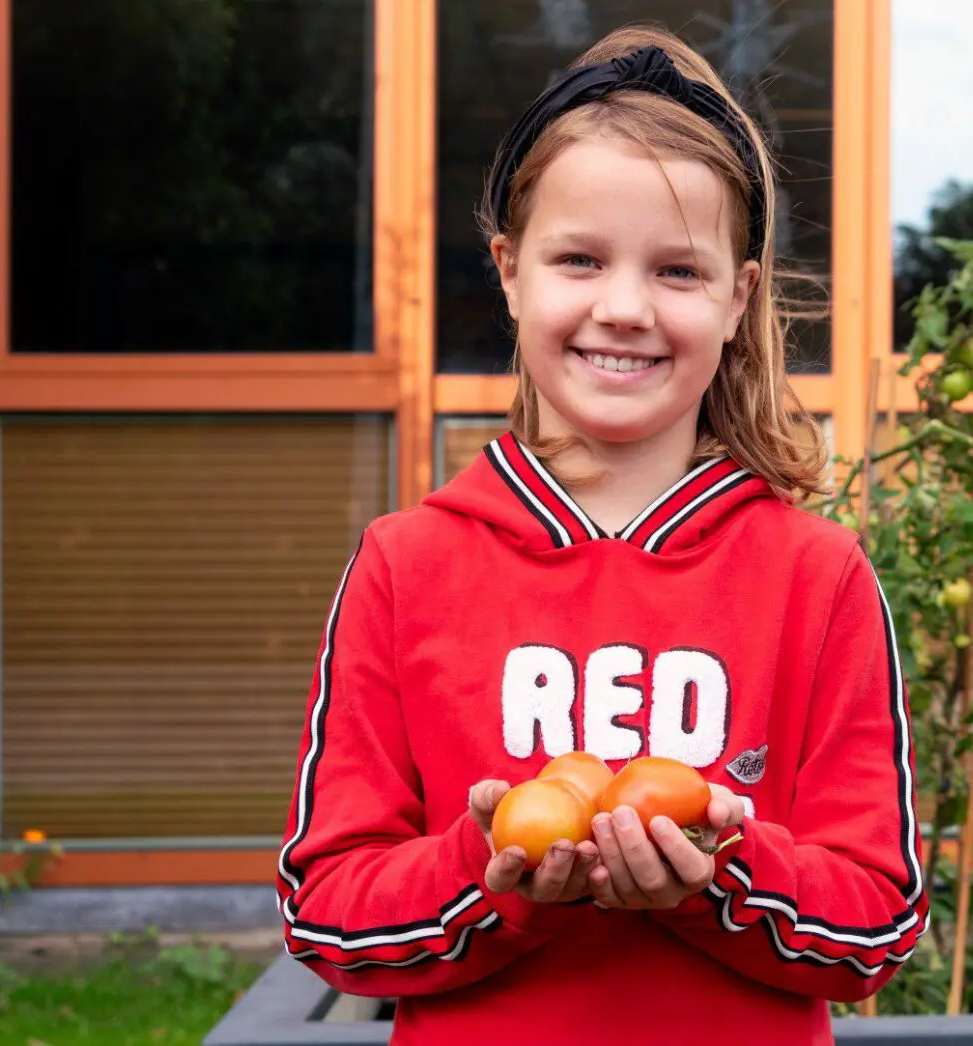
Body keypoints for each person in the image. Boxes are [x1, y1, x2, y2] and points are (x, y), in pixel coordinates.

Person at [273, 24, 925, 1045]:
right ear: (509, 270)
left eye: (678, 271)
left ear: (737, 296)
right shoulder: (406, 566)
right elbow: (327, 908)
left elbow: (876, 922)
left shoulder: (818, 576)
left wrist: (720, 874)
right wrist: (485, 875)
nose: (622, 307)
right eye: (579, 258)